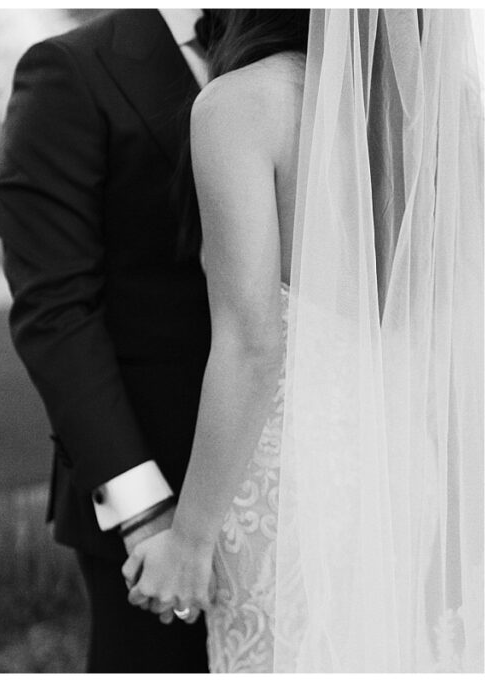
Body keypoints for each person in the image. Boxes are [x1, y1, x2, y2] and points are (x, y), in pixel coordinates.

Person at [123, 9, 483, 672]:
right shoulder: (448, 106)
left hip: (286, 491)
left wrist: (191, 541)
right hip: (409, 468)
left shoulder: (240, 106)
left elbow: (252, 344)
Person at [0, 9, 214, 673]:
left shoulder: (318, 54)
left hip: (311, 474)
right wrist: (144, 510)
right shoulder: (71, 71)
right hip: (154, 487)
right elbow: (55, 308)